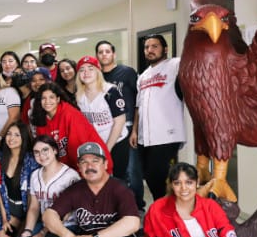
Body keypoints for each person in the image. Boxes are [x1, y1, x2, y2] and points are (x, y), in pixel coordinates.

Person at [38, 142, 141, 237]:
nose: (89, 166)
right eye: (84, 162)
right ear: (79, 168)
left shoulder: (120, 188)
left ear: (105, 164)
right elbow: (49, 215)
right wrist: (66, 235)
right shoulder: (76, 189)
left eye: (95, 161)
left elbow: (133, 223)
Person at [129, 34, 186, 202]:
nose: (149, 50)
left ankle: (169, 212)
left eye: (154, 46)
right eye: (147, 47)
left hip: (167, 134)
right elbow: (138, 106)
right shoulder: (143, 76)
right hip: (144, 136)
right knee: (150, 177)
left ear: (165, 49)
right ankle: (161, 211)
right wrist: (134, 131)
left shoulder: (175, 65)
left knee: (160, 177)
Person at [14, 135, 80, 237]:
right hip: (44, 224)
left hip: (66, 226)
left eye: (45, 150)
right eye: (36, 152)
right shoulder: (35, 175)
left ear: (55, 150)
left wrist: (42, 234)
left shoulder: (70, 176)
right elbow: (34, 207)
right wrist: (28, 230)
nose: (41, 155)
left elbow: (66, 214)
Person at [96, 40, 142, 208]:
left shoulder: (127, 73)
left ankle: (137, 206)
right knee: (111, 169)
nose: (104, 55)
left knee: (131, 171)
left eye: (107, 51)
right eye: (100, 52)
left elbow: (138, 102)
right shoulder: (97, 76)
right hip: (105, 129)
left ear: (113, 54)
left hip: (127, 127)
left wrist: (135, 129)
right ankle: (116, 205)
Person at [31, 83, 113, 174]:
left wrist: (76, 176)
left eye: (51, 97)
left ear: (58, 99)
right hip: (66, 170)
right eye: (43, 98)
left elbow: (78, 148)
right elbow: (44, 150)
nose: (47, 101)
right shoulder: (41, 119)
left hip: (92, 168)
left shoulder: (70, 114)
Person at [75, 56, 129, 182]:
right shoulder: (79, 95)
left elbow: (119, 122)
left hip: (117, 142)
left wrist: (107, 148)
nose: (86, 72)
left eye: (90, 69)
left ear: (98, 72)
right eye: (82, 70)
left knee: (118, 180)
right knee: (99, 179)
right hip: (96, 143)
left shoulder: (110, 91)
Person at [0, 121, 39, 237]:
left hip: (26, 211)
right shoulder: (0, 158)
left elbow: (33, 197)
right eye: (9, 134)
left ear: (24, 138)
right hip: (8, 209)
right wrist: (4, 219)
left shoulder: (31, 160)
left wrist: (23, 221)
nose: (11, 138)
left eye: (17, 135)